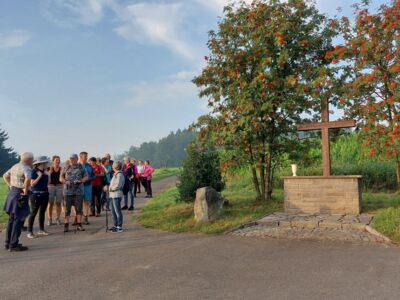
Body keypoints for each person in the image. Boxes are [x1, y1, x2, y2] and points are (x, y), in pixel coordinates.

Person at [3, 152, 34, 252]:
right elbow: (28, 178)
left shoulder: (15, 166)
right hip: (20, 194)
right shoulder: (27, 167)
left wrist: (10, 185)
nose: (32, 161)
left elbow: (5, 176)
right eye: (32, 159)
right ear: (29, 160)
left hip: (12, 193)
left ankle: (8, 242)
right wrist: (25, 189)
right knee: (19, 219)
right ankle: (14, 244)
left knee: (12, 219)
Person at [60, 154, 88, 232]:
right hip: (68, 192)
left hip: (78, 191)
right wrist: (65, 181)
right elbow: (61, 177)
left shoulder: (81, 167)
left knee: (79, 209)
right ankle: (66, 225)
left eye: (73, 159)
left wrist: (81, 181)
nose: (71, 160)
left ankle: (79, 224)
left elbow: (86, 177)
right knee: (67, 209)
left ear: (76, 159)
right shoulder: (66, 167)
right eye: (70, 159)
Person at [27, 156, 51, 239]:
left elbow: (48, 183)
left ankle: (41, 229)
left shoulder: (45, 171)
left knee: (42, 212)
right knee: (33, 213)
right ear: (42, 163)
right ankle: (29, 232)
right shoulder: (34, 171)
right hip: (36, 194)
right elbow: (32, 184)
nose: (47, 163)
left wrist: (49, 175)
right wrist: (39, 176)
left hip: (45, 193)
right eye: (46, 162)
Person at [108, 161, 125, 233]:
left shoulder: (119, 174)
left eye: (113, 165)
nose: (112, 166)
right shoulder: (116, 174)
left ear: (115, 167)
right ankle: (115, 225)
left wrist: (110, 189)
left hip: (116, 194)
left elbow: (118, 185)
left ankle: (119, 226)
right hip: (112, 195)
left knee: (117, 211)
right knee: (113, 211)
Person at [47, 155, 63, 226]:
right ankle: (50, 219)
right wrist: (49, 173)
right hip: (51, 187)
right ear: (53, 161)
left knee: (58, 203)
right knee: (50, 203)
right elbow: (47, 180)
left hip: (59, 187)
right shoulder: (49, 169)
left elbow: (63, 178)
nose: (58, 161)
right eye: (56, 160)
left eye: (59, 160)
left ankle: (58, 218)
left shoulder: (61, 169)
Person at [80, 152, 95, 225]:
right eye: (85, 156)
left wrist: (89, 178)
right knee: (78, 203)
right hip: (78, 187)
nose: (86, 158)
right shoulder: (77, 166)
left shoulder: (89, 166)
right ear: (80, 157)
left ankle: (85, 217)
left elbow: (94, 175)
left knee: (86, 202)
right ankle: (77, 218)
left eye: (86, 156)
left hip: (87, 186)